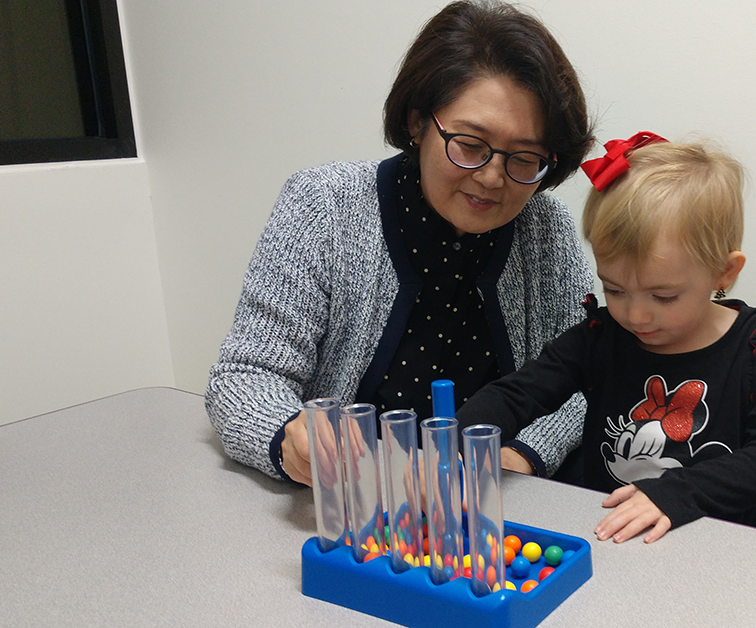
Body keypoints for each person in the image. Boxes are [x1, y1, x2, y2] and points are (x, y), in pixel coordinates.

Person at [206, 0, 594, 486]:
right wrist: (289, 435)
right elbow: (245, 376)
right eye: (470, 145)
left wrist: (522, 456)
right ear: (417, 122)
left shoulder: (546, 230)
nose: (493, 178)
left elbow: (586, 377)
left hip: (493, 509)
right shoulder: (324, 207)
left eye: (524, 157)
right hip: (344, 507)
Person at [456, 134, 756, 543]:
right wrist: (455, 441)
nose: (635, 315)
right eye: (615, 289)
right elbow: (517, 394)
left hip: (716, 549)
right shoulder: (601, 336)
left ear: (724, 273)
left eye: (663, 296)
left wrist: (676, 493)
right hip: (610, 539)